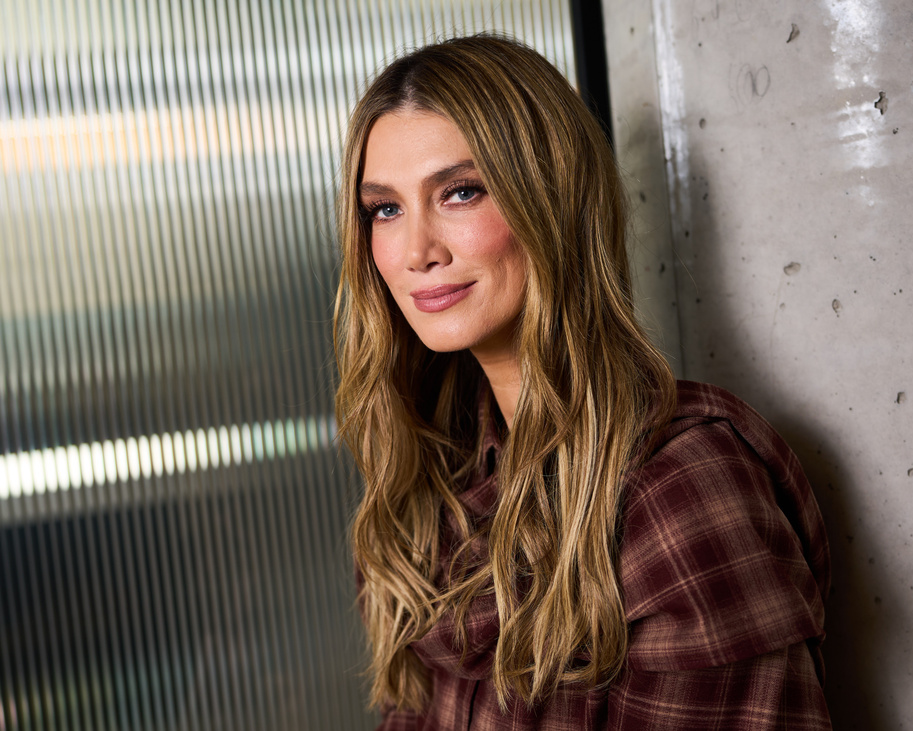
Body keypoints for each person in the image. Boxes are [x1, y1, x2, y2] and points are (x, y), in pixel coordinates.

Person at [333, 34, 831, 730]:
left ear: (552, 200)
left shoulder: (680, 486)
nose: (417, 251)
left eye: (461, 192)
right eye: (385, 209)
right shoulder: (427, 484)